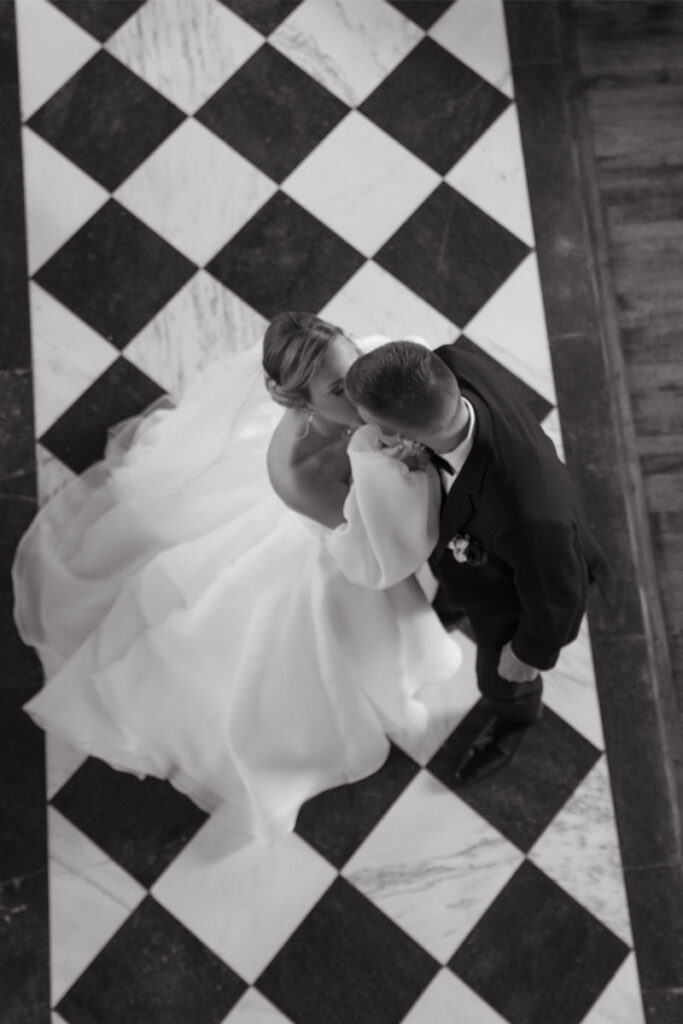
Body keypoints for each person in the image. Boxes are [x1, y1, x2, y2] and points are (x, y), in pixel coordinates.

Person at [13, 314, 461, 844]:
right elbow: (361, 541)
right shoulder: (295, 471)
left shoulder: (363, 375)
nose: (359, 390)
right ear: (299, 403)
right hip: (335, 551)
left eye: (355, 367)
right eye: (340, 389)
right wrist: (403, 475)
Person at [345, 339, 612, 785]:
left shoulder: (531, 517)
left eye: (372, 426)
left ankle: (515, 717)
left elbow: (560, 600)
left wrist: (526, 655)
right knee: (451, 589)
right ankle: (449, 610)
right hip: (472, 559)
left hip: (511, 601)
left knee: (498, 677)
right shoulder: (451, 362)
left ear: (404, 436)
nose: (366, 431)